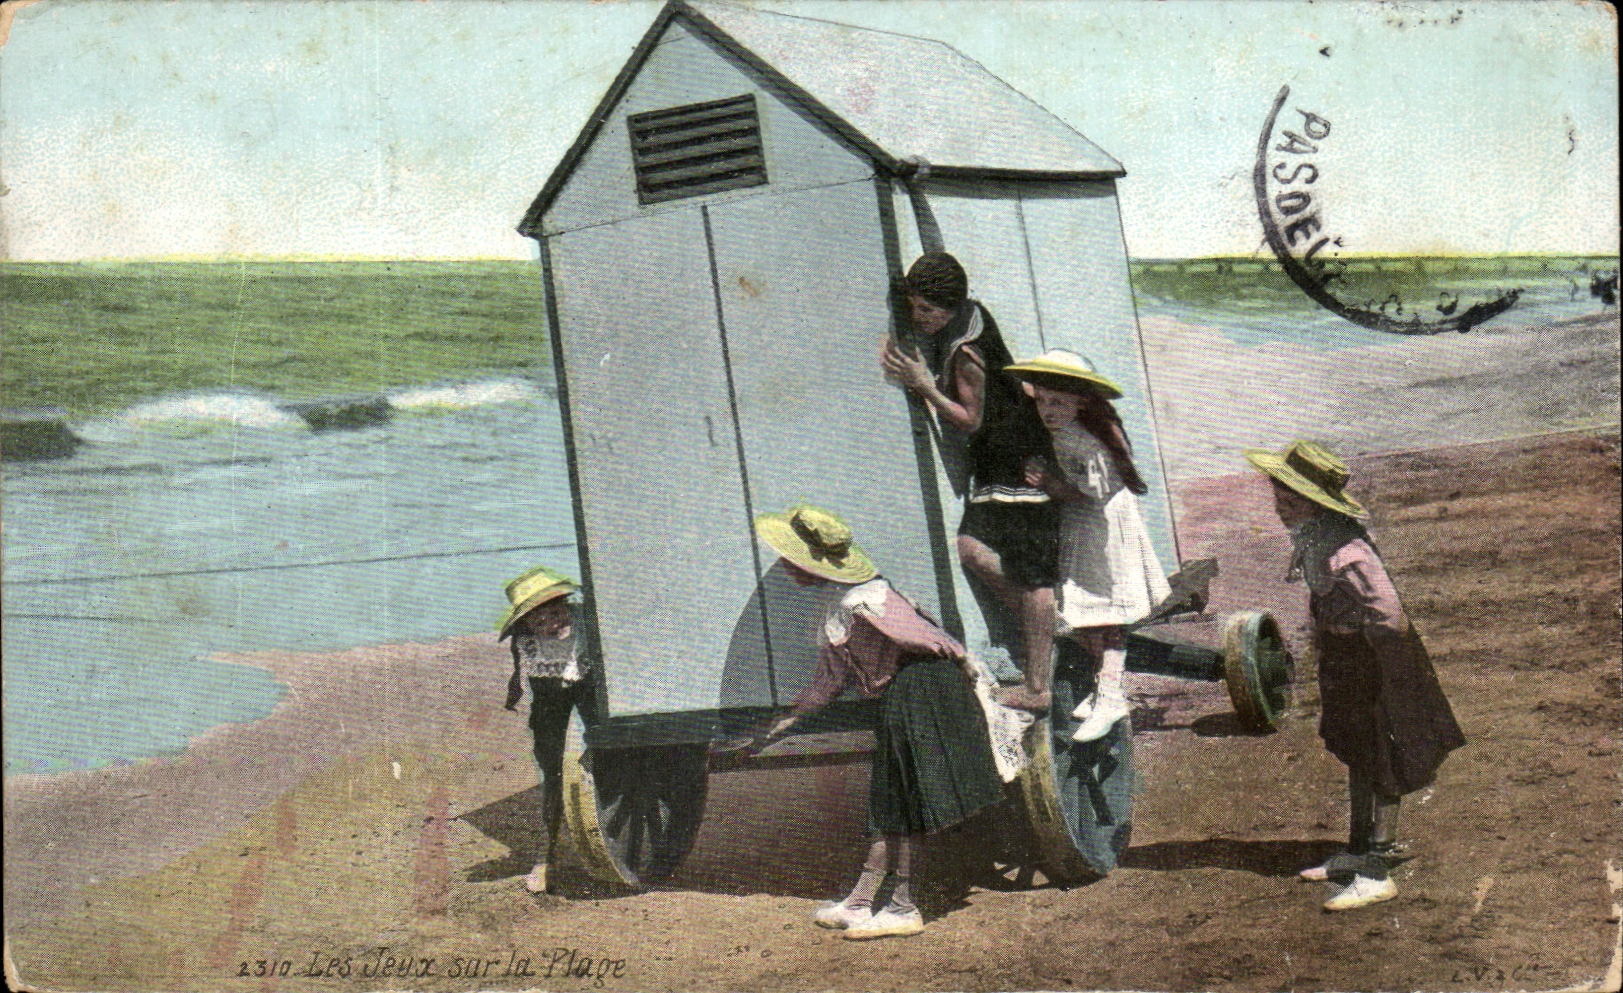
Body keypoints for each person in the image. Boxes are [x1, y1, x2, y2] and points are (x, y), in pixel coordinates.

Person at [751, 504, 1004, 940]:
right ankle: (862, 900)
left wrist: (960, 662)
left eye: (793, 559)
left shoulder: (864, 596)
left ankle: (905, 906)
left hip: (922, 689)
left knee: (907, 800)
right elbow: (827, 683)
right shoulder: (837, 604)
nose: (786, 567)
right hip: (899, 698)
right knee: (887, 798)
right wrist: (781, 723)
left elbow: (929, 640)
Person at [1246, 441, 1465, 911]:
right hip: (1344, 657)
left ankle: (1377, 870)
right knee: (1358, 751)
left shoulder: (1349, 550)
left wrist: (1382, 667)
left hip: (1376, 661)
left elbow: (1389, 615)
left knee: (1383, 752)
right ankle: (1358, 849)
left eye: (1292, 503)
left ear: (1318, 503)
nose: (1283, 511)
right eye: (1279, 501)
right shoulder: (1314, 539)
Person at [879, 252, 1059, 713]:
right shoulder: (971, 313)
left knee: (1032, 576)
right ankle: (1044, 625)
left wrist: (922, 384)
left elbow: (969, 420)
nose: (918, 318)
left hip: (1018, 459)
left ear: (952, 307)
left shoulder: (966, 354)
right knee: (971, 549)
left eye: (927, 311)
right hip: (995, 464)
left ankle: (1039, 689)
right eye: (914, 307)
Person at [1006, 349, 1171, 742]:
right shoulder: (1064, 433)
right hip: (1086, 526)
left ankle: (1112, 695)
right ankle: (1106, 688)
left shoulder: (1087, 444)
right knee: (1088, 612)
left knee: (1105, 613)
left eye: (1058, 402)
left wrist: (1047, 482)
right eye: (1042, 400)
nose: (1047, 410)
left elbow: (1089, 494)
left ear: (1081, 401)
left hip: (1103, 530)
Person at [498, 564, 600, 895]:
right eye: (540, 622)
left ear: (566, 605)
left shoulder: (584, 619)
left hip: (590, 692)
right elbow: (536, 685)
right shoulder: (527, 643)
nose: (552, 625)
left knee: (598, 752)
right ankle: (546, 854)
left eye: (556, 614)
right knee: (551, 774)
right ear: (526, 625)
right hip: (551, 702)